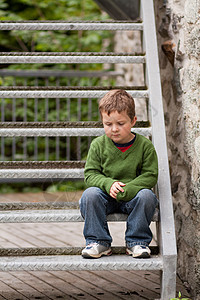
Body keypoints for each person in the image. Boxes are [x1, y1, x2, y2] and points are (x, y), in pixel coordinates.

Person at [79, 89, 158, 259]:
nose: (114, 129)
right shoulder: (98, 145)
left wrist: (129, 188)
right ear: (102, 121)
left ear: (133, 121)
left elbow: (150, 175)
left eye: (120, 124)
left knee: (147, 196)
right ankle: (98, 241)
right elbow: (91, 174)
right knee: (90, 195)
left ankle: (136, 242)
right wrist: (108, 184)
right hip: (105, 197)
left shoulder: (145, 146)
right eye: (108, 124)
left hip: (133, 197)